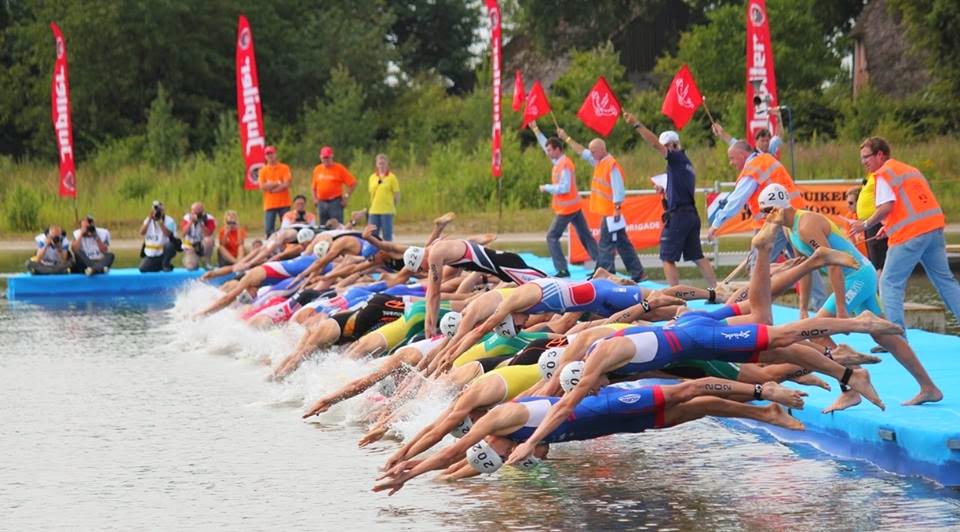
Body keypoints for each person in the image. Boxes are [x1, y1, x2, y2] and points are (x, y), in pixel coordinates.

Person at [373, 378, 804, 494]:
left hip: (612, 405)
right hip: (613, 422)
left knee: (690, 392)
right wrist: (413, 470)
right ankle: (763, 412)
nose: (506, 458)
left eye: (499, 456)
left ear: (492, 441)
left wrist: (410, 470)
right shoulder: (518, 442)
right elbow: (456, 460)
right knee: (696, 411)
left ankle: (764, 394)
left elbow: (452, 446)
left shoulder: (500, 419)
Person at [761, 183, 942, 408]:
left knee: (816, 332)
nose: (765, 218)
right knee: (883, 336)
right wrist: (802, 307)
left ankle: (852, 385)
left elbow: (834, 264)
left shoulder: (806, 226)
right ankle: (929, 388)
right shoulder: (790, 230)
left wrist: (841, 308)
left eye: (766, 212)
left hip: (857, 275)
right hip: (859, 274)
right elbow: (805, 269)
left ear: (777, 208)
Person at [849, 136, 960, 337]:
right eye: (862, 158)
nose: (864, 162)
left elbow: (886, 206)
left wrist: (864, 225)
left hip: (911, 235)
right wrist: (888, 226)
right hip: (933, 230)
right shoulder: (909, 170)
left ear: (880, 155)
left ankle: (896, 339)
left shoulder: (883, 174)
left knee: (888, 283)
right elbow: (912, 203)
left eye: (866, 157)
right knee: (945, 281)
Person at [624, 113, 716, 287]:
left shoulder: (675, 158)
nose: (664, 149)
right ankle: (716, 289)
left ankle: (674, 293)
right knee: (697, 256)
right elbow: (680, 186)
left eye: (666, 146)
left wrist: (637, 124)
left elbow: (653, 143)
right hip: (690, 215)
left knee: (667, 257)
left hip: (679, 216)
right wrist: (665, 189)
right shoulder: (685, 163)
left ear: (674, 145)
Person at [556, 127, 646, 282]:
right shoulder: (599, 161)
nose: (590, 154)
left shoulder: (611, 165)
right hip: (608, 212)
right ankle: (636, 272)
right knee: (622, 243)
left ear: (602, 150)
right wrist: (566, 138)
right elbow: (581, 151)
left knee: (606, 244)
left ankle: (606, 273)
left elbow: (618, 189)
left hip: (612, 212)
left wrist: (617, 209)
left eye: (593, 151)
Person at [529, 121, 598, 277]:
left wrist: (546, 187)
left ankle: (562, 269)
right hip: (573, 207)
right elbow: (545, 145)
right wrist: (536, 130)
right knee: (586, 236)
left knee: (552, 237)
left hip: (567, 209)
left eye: (550, 150)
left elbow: (564, 187)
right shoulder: (558, 161)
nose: (547, 152)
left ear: (558, 150)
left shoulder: (565, 164)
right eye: (547, 150)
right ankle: (603, 265)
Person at [312, 145, 356, 226]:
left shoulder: (339, 168)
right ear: (321, 158)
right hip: (321, 202)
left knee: (337, 226)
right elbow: (313, 187)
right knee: (323, 226)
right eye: (324, 158)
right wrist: (314, 198)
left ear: (332, 156)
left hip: (335, 202)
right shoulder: (317, 169)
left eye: (328, 157)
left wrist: (346, 197)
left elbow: (353, 183)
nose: (326, 160)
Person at [711, 111, 783, 158]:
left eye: (767, 141)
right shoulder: (752, 154)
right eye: (762, 141)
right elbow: (735, 143)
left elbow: (779, 136)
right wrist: (722, 133)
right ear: (756, 142)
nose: (765, 143)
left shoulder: (770, 150)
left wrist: (778, 119)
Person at [854, 173, 888, 274]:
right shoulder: (871, 175)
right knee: (873, 254)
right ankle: (877, 277)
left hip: (876, 220)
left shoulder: (881, 174)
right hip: (869, 222)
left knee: (878, 254)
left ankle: (880, 278)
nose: (864, 164)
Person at [259, 145, 292, 237]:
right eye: (268, 154)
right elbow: (262, 186)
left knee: (287, 229)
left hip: (284, 203)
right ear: (265, 156)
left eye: (271, 153)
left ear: (275, 154)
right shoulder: (263, 170)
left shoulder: (284, 168)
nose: (270, 156)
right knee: (269, 230)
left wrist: (272, 188)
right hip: (269, 204)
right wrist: (278, 182)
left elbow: (286, 183)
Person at [367, 153, 400, 241]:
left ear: (387, 164)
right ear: (376, 164)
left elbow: (396, 193)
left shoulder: (392, 177)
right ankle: (373, 249)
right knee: (372, 235)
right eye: (380, 163)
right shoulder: (372, 177)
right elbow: (371, 192)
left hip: (387, 210)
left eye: (383, 163)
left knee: (387, 234)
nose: (381, 166)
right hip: (374, 209)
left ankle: (388, 249)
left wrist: (393, 205)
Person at [139, 200, 178, 273]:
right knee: (142, 269)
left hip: (165, 252)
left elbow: (168, 234)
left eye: (160, 211)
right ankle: (161, 266)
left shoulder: (170, 221)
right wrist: (149, 220)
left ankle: (165, 264)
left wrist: (160, 222)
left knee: (169, 246)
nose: (157, 213)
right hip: (152, 253)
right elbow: (141, 232)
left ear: (163, 211)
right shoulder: (148, 219)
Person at [180, 202, 216, 271]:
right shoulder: (187, 218)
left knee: (209, 240)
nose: (196, 214)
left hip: (203, 245)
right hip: (190, 246)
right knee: (191, 267)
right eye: (194, 212)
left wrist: (201, 222)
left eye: (198, 212)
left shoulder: (209, 218)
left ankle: (207, 262)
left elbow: (208, 234)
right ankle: (192, 262)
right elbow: (183, 233)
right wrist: (191, 222)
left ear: (202, 211)